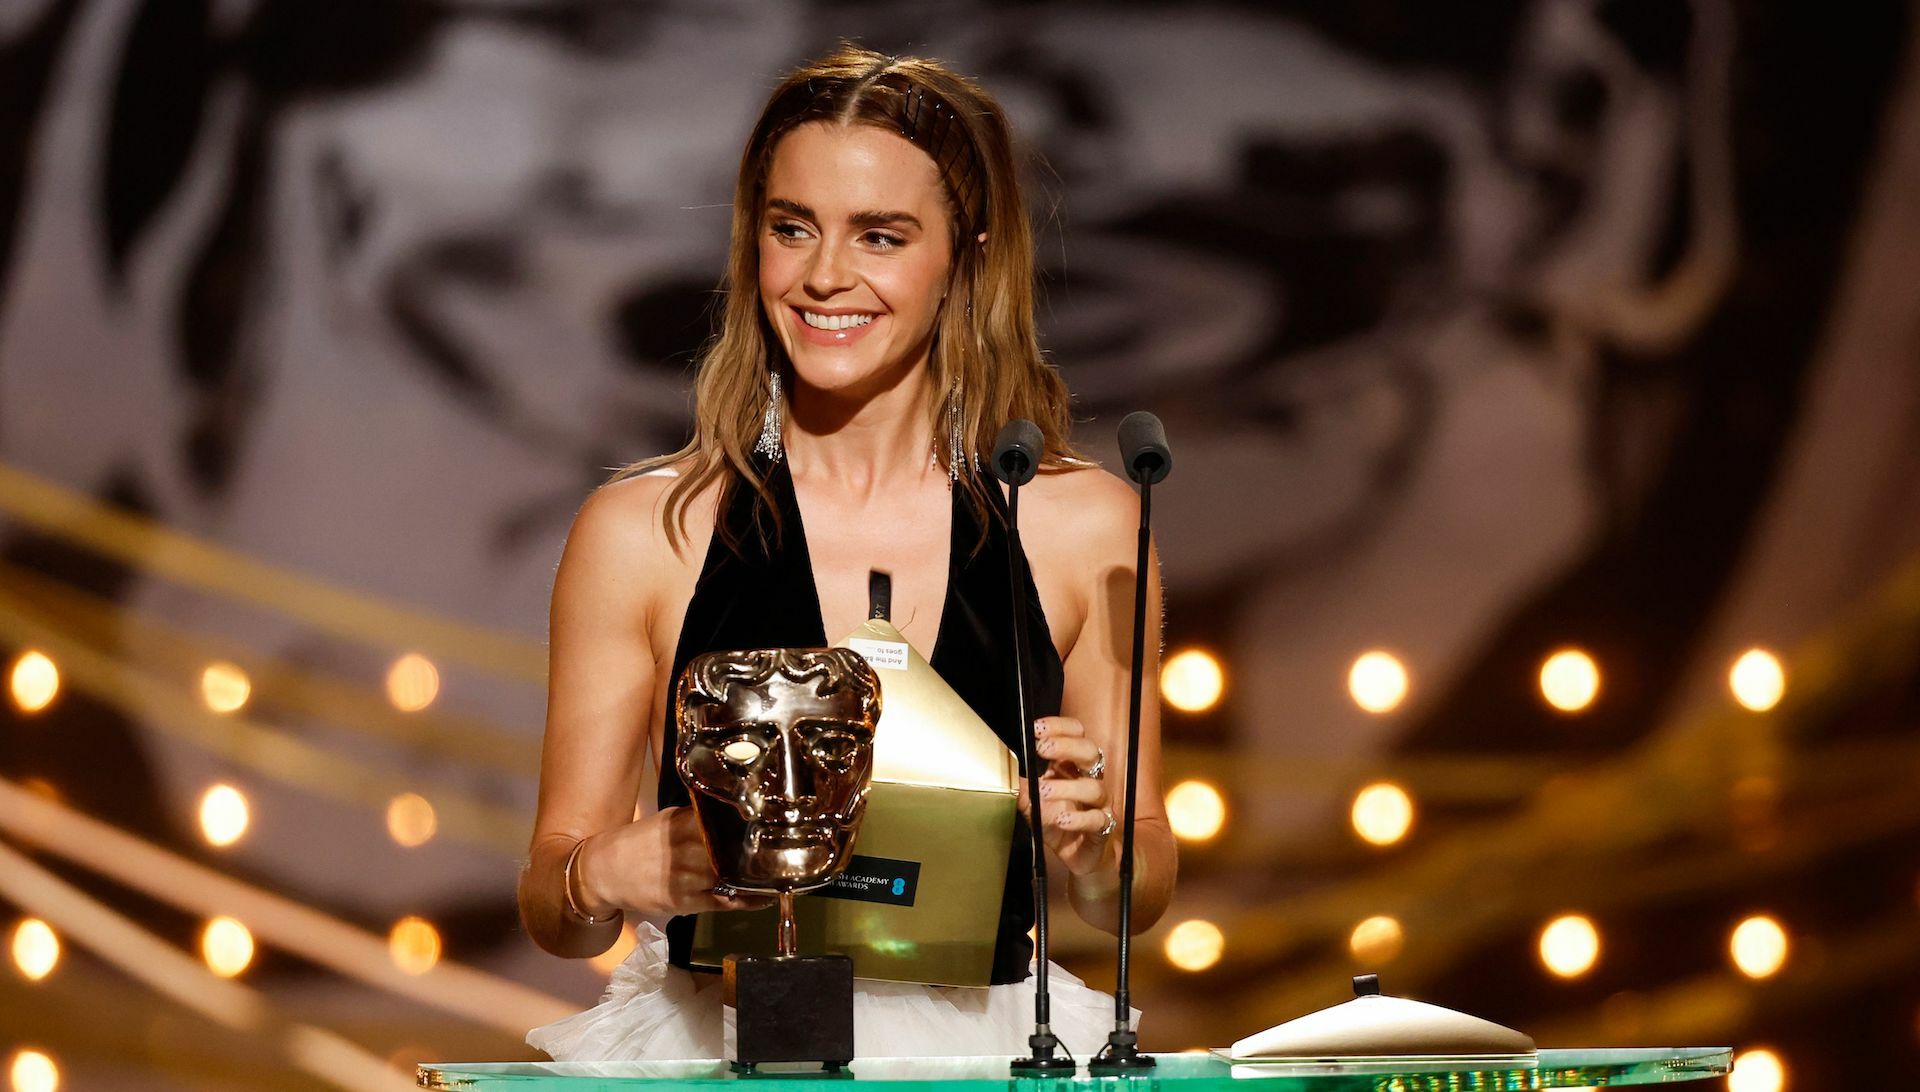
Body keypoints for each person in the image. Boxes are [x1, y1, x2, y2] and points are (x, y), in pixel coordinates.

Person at [517, 43, 1176, 1060]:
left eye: (881, 235)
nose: (826, 276)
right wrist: (602, 874)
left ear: (968, 254)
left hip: (988, 1049)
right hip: (719, 1050)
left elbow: (1140, 891)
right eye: (793, 228)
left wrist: (1092, 855)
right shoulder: (646, 532)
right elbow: (556, 905)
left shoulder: (1083, 524)